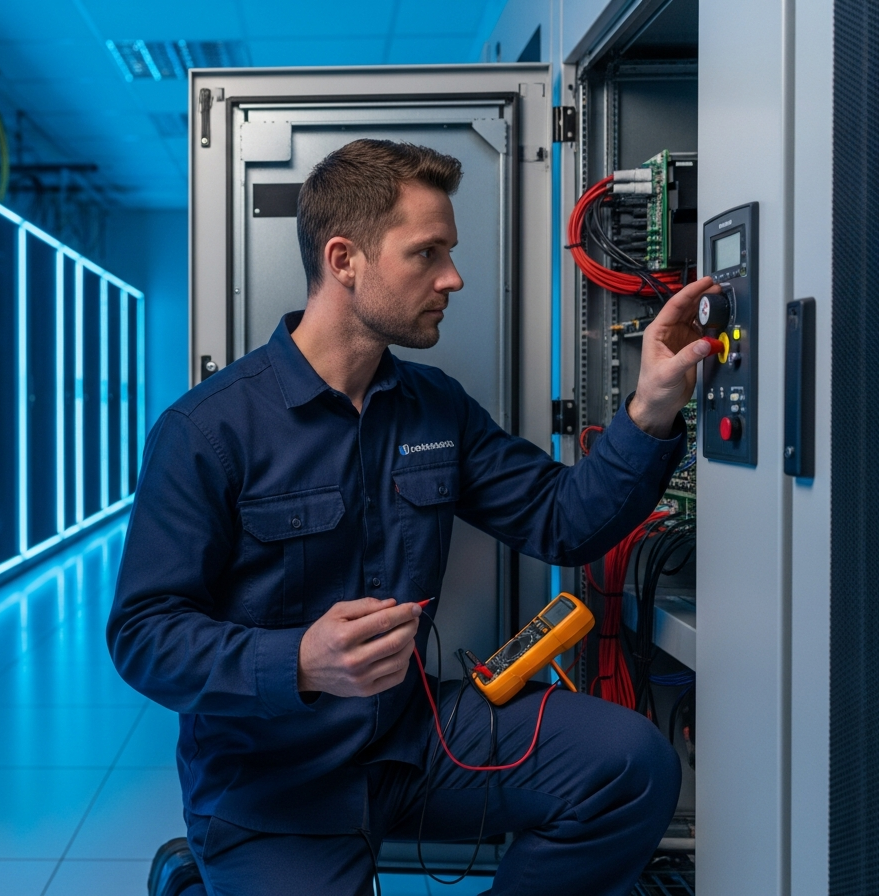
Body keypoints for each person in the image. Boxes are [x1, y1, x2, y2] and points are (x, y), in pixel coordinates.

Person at [109, 138, 714, 896]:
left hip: (414, 737)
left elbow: (564, 520)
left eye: (449, 253)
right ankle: (203, 874)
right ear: (344, 260)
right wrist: (299, 661)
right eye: (426, 254)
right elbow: (143, 636)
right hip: (272, 783)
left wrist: (653, 407)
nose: (452, 278)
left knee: (629, 764)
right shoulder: (209, 431)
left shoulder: (434, 408)